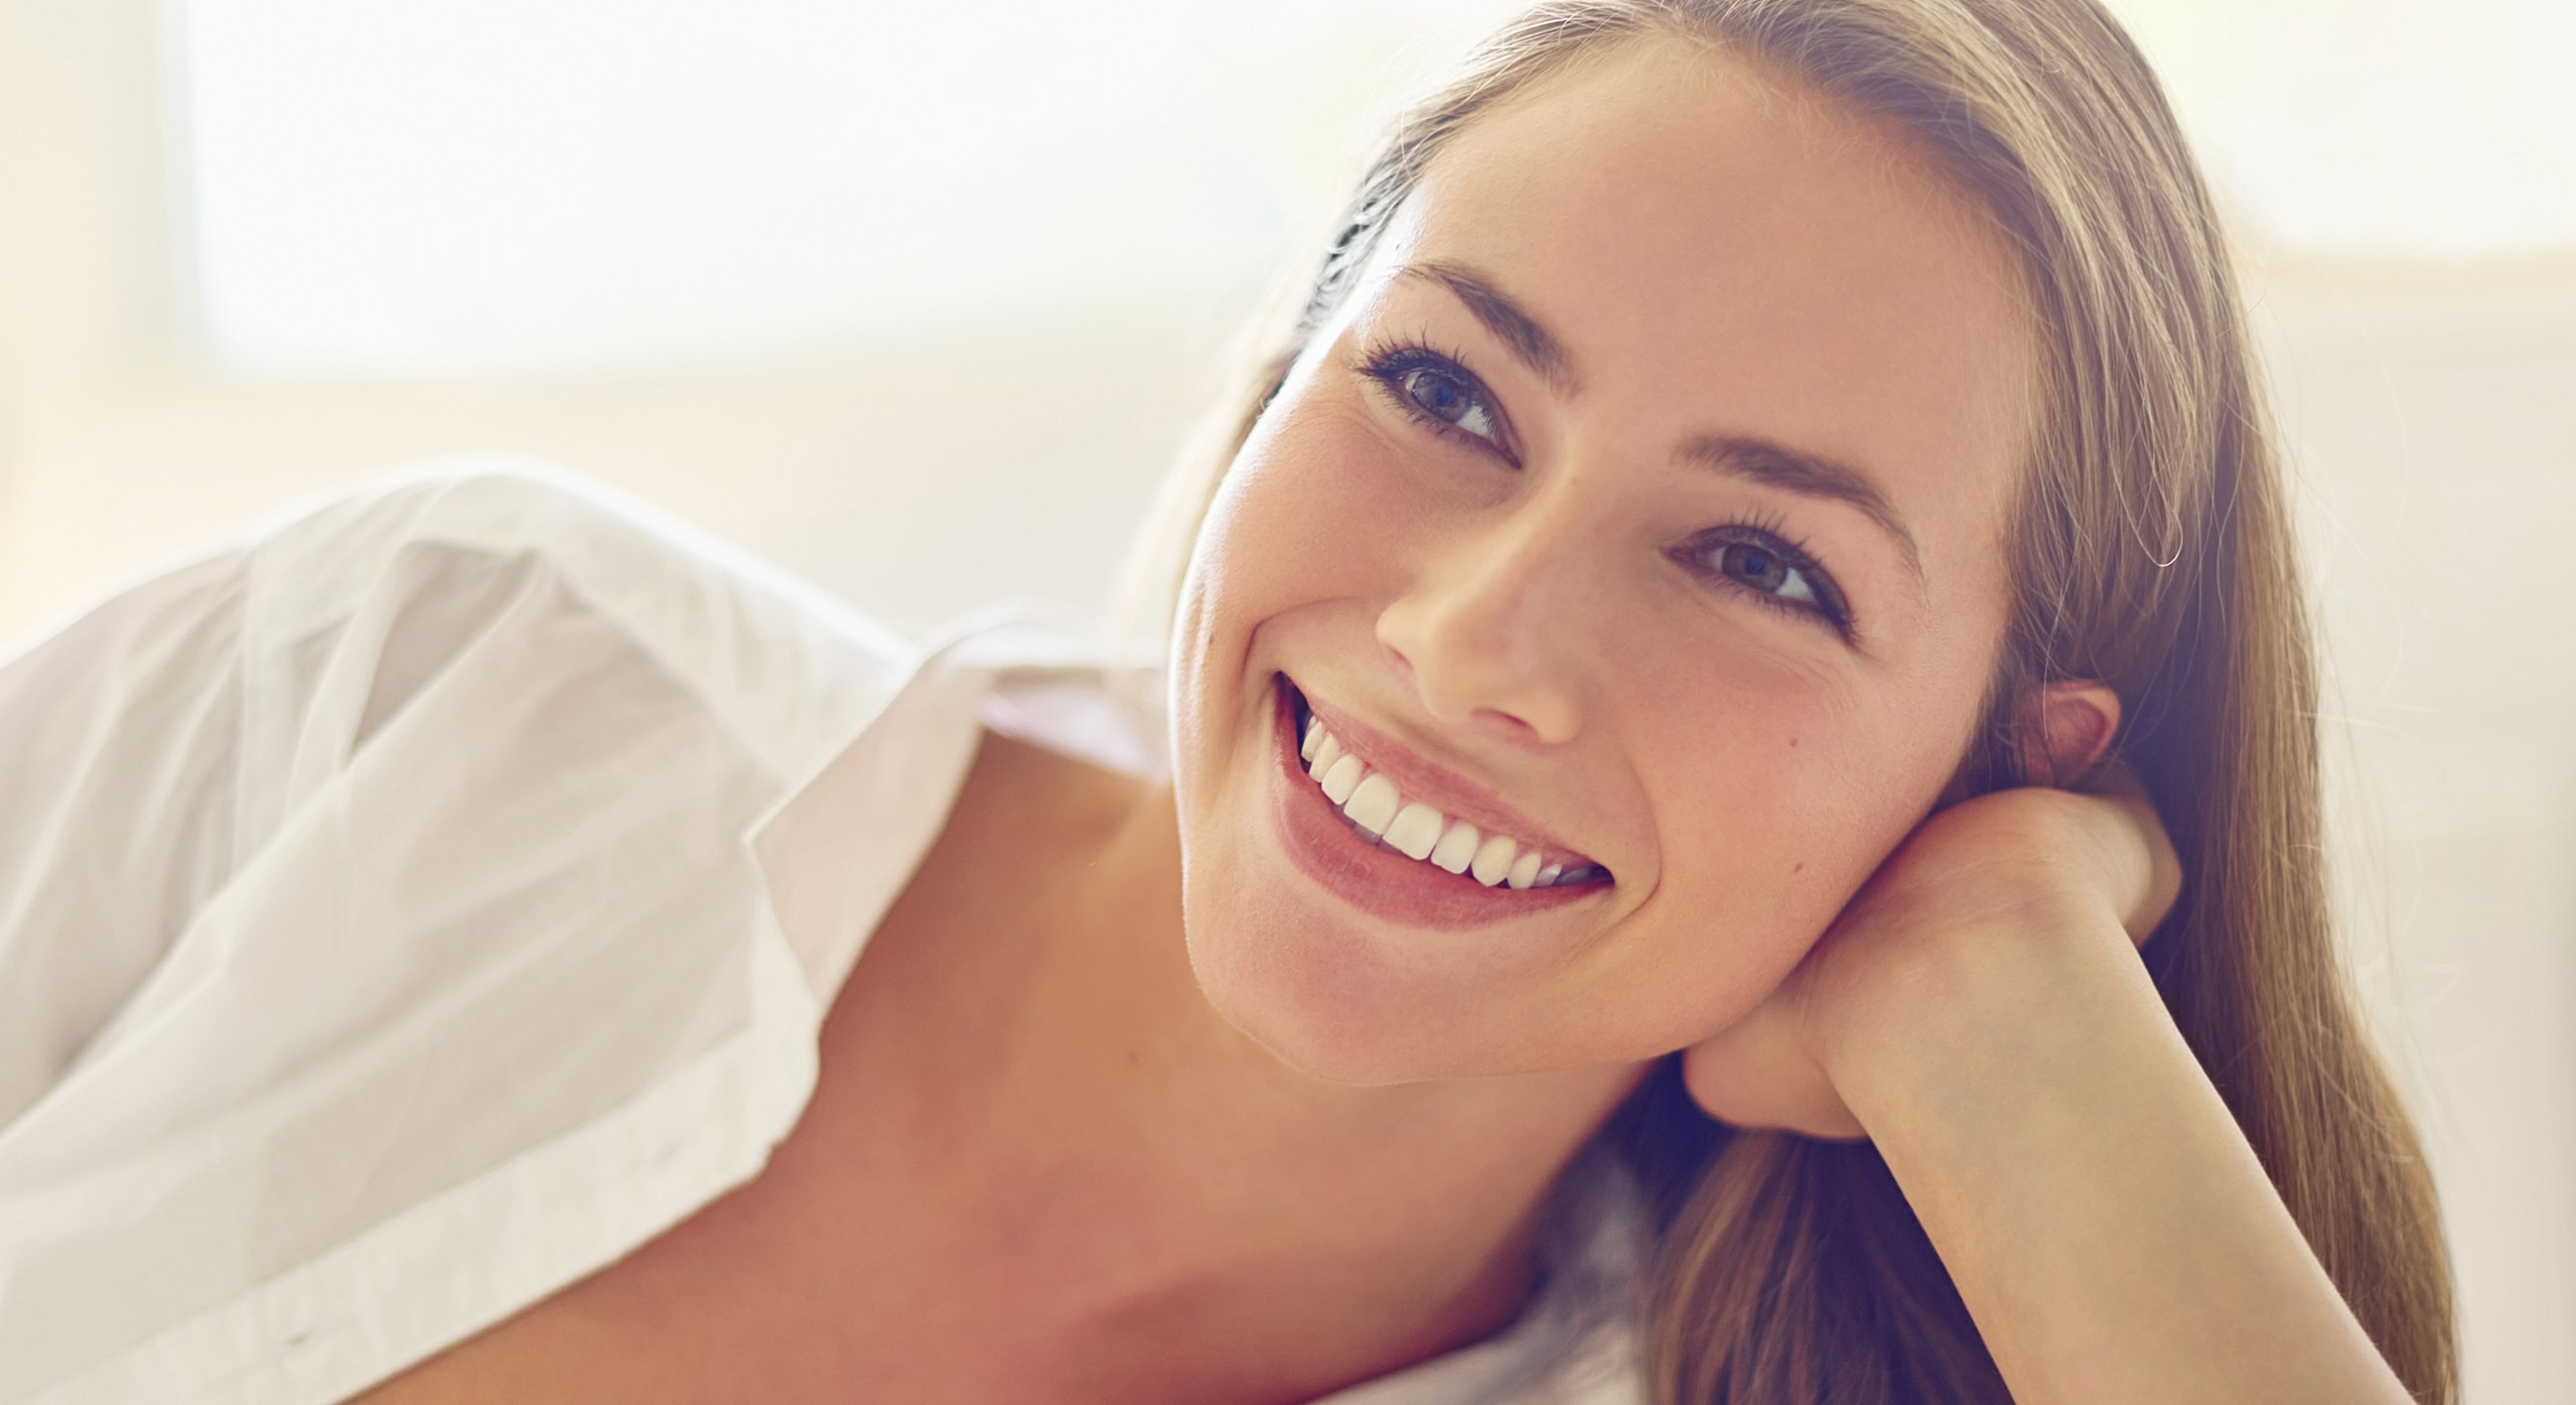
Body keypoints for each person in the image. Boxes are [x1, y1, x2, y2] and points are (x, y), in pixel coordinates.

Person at [0, 0, 2454, 1401]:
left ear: (2001, 752)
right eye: (1449, 395)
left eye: (1753, 561)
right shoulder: (450, 683)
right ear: (1280, 365)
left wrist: (2010, 1003)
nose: (1475, 639)